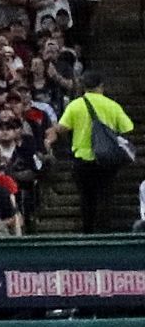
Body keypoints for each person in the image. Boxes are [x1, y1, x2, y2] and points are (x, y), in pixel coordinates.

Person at [47, 71, 134, 233]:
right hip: (107, 159)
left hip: (82, 159)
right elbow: (127, 127)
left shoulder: (75, 105)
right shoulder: (112, 105)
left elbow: (62, 128)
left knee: (87, 198)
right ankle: (104, 232)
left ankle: (88, 232)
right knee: (105, 197)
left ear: (83, 86)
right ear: (101, 86)